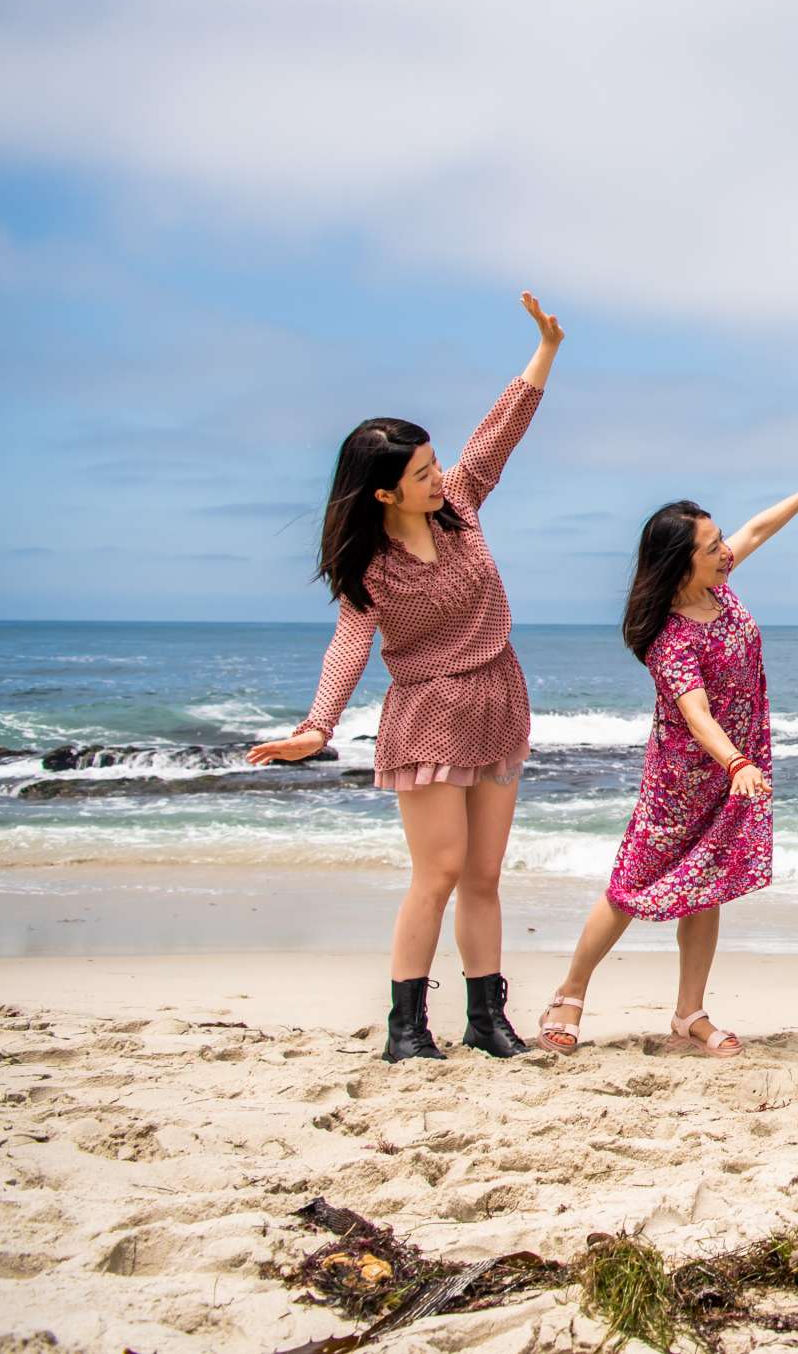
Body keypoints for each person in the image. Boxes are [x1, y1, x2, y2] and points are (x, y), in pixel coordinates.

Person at [249, 293, 563, 1062]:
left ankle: (487, 1021)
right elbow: (349, 645)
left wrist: (545, 350)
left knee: (486, 874)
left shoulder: (461, 504)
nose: (438, 475)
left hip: (498, 698)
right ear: (385, 491)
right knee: (441, 871)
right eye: (422, 472)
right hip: (428, 713)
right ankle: (406, 1029)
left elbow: (500, 433)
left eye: (434, 463)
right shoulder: (371, 567)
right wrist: (317, 728)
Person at [534, 449, 798, 1058]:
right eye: (711, 546)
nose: (727, 550)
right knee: (629, 887)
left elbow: (756, 529)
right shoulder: (670, 635)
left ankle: (689, 1013)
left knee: (709, 885)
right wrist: (737, 763)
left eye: (721, 540)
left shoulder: (721, 588)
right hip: (685, 779)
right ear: (681, 564)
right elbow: (695, 715)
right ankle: (569, 994)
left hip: (738, 768)